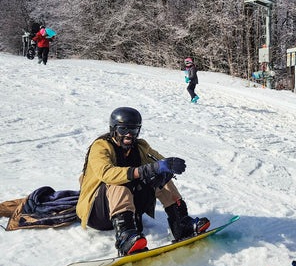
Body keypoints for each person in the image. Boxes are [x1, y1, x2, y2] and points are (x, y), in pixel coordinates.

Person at [76, 107, 210, 256]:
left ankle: (181, 224)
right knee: (118, 180)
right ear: (113, 129)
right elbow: (106, 173)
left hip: (129, 209)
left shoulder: (140, 146)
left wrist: (167, 167)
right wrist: (144, 170)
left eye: (133, 130)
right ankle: (125, 237)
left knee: (161, 176)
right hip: (98, 214)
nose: (128, 135)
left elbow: (159, 162)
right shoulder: (101, 146)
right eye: (123, 129)